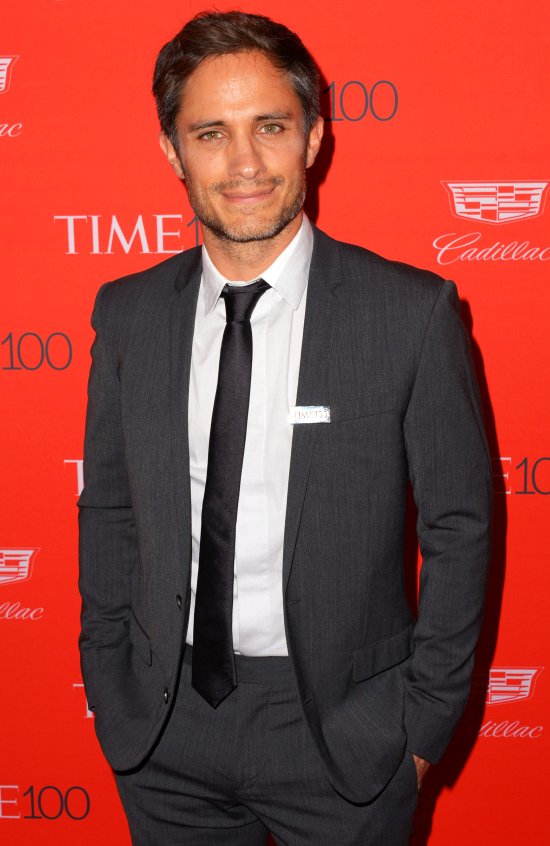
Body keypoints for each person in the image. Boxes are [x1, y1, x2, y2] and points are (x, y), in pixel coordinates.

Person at [77, 10, 493, 845]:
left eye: (270, 126)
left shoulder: (410, 314)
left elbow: (461, 527)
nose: (243, 164)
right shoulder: (126, 317)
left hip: (348, 728)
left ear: (312, 137)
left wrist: (420, 727)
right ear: (172, 150)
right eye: (210, 133)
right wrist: (109, 674)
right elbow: (110, 511)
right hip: (163, 727)